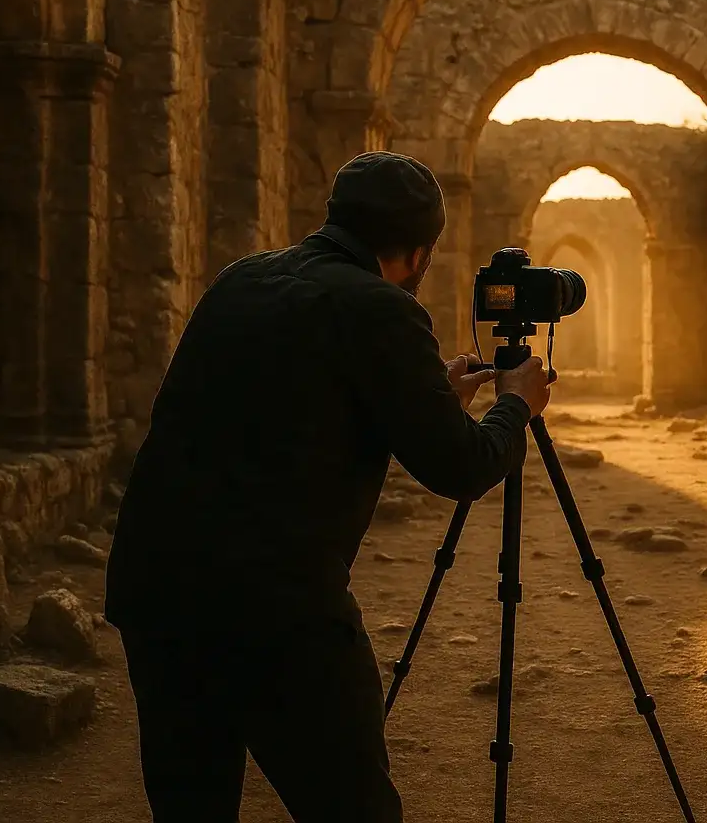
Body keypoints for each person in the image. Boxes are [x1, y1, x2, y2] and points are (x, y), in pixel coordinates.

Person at [104, 151, 551, 822]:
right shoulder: (383, 309)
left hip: (157, 594)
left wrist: (432, 400)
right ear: (421, 252)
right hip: (276, 616)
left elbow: (292, 411)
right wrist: (516, 403)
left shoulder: (242, 278)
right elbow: (462, 469)